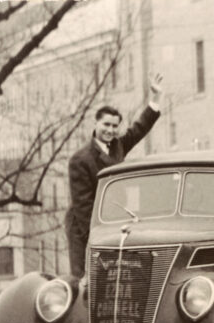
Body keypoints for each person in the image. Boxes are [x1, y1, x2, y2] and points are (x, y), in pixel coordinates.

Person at [66, 73, 164, 278]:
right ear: (95, 125)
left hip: (112, 222)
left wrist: (155, 99)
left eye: (114, 126)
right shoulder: (80, 160)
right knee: (85, 279)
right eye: (106, 125)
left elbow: (139, 129)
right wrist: (98, 238)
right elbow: (83, 207)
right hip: (85, 229)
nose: (110, 130)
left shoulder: (118, 146)